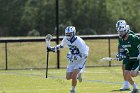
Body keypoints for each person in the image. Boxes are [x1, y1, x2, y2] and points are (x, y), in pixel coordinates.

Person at [47, 26, 89, 93]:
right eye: (67, 34)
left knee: (74, 75)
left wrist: (74, 57)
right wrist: (52, 49)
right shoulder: (66, 39)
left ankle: (72, 90)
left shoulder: (79, 41)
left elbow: (85, 55)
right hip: (72, 58)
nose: (68, 35)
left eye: (69, 34)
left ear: (73, 33)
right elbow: (61, 46)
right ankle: (79, 74)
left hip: (81, 59)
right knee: (68, 77)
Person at [116, 24, 140, 93]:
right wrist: (120, 55)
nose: (120, 33)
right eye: (119, 32)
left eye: (122, 32)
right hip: (130, 58)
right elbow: (122, 51)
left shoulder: (133, 38)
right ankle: (135, 88)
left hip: (137, 59)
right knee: (126, 74)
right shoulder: (121, 40)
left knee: (133, 74)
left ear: (126, 31)